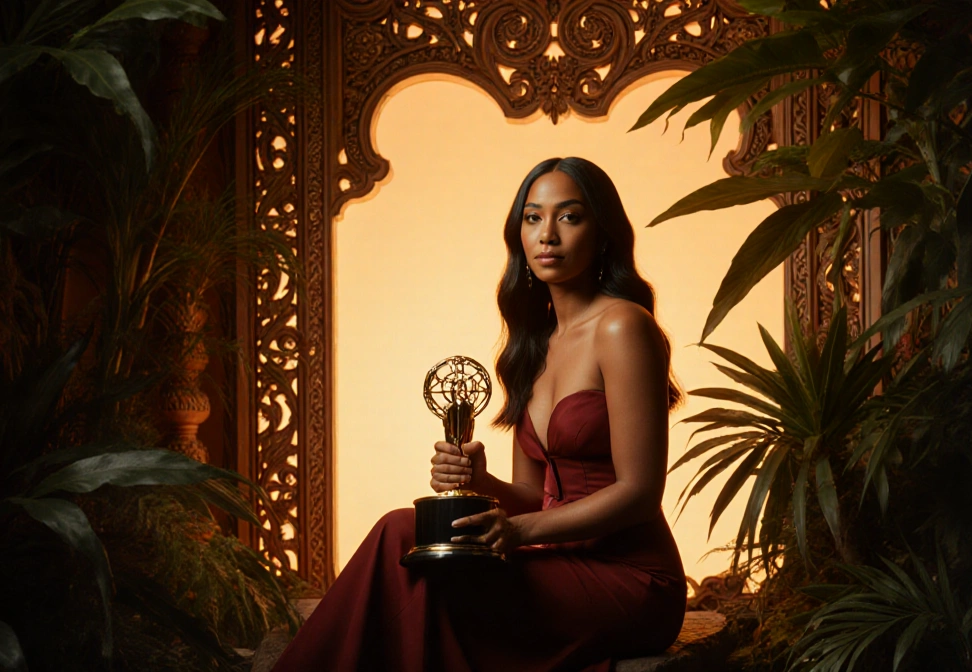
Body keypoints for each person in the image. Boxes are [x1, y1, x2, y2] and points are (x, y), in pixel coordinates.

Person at [270, 157, 686, 671]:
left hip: (628, 576)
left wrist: (521, 533)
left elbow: (640, 494)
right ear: (519, 234)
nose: (547, 235)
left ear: (603, 233)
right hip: (553, 555)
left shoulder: (623, 327)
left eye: (569, 217)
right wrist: (480, 479)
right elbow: (534, 497)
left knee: (436, 579)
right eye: (533, 218)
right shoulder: (532, 345)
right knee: (401, 529)